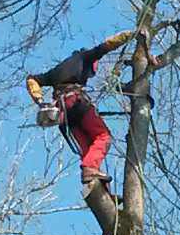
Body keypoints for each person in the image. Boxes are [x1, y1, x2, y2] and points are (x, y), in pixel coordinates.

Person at [25, 31, 133, 183]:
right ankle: (90, 170)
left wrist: (40, 100)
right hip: (75, 101)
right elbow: (106, 46)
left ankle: (101, 192)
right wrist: (130, 35)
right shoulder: (85, 57)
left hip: (63, 114)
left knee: (88, 151)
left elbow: (31, 79)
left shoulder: (55, 71)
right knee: (103, 136)